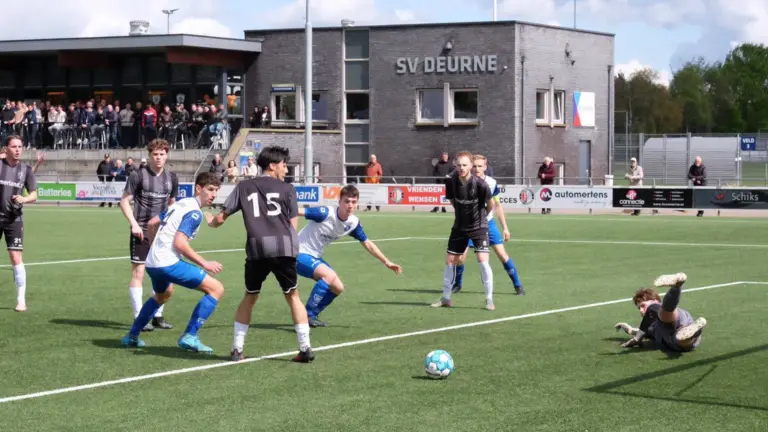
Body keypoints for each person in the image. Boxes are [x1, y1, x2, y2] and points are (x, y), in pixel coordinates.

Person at [208, 146, 314, 363]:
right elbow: (293, 225)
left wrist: (211, 222)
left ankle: (237, 349)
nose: (286, 169)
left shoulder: (244, 186)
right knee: (293, 296)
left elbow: (221, 217)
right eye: (284, 164)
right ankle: (305, 348)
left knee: (250, 295)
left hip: (257, 249)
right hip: (284, 248)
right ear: (273, 165)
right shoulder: (287, 189)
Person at [121, 172, 224, 353]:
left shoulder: (179, 204)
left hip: (152, 262)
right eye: (210, 189)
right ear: (198, 188)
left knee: (163, 294)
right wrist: (204, 263)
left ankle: (132, 335)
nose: (214, 194)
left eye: (216, 190)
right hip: (168, 263)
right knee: (216, 289)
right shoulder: (194, 212)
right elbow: (179, 243)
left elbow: (152, 223)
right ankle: (190, 336)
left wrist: (155, 247)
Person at [297, 185, 403, 327]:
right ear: (339, 201)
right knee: (328, 276)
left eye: (353, 202)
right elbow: (296, 211)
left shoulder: (352, 223)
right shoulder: (324, 213)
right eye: (346, 201)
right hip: (298, 253)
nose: (350, 205)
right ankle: (304, 317)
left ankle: (311, 316)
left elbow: (367, 243)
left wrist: (386, 261)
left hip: (313, 256)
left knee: (338, 287)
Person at [120, 139, 179, 331]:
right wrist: (134, 224)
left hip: (162, 233)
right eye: (155, 154)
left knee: (163, 273)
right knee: (139, 272)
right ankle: (139, 317)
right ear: (150, 155)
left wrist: (171, 226)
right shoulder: (138, 175)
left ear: (167, 155)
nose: (159, 157)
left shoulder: (172, 177)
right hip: (141, 231)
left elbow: (172, 204)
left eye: (162, 154)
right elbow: (124, 201)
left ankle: (158, 315)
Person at [452, 155, 524, 297]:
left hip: (488, 224)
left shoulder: (491, 183)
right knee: (460, 257)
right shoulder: (463, 181)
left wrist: (505, 227)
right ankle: (457, 284)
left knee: (502, 255)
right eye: (475, 166)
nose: (477, 169)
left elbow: (497, 206)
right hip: (469, 225)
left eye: (480, 166)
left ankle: (518, 285)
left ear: (485, 167)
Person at [431, 151, 495, 310]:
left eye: (465, 165)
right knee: (450, 260)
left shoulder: (481, 184)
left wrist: (481, 218)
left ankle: (489, 299)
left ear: (471, 166)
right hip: (459, 227)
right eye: (459, 165)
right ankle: (446, 298)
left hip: (479, 227)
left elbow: (491, 205)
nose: (461, 168)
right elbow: (453, 201)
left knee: (482, 261)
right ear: (455, 165)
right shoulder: (451, 182)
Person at [615, 272, 707, 352]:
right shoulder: (651, 328)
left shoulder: (654, 309)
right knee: (679, 340)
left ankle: (676, 286)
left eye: (643, 306)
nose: (641, 311)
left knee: (657, 312)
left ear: (655, 300)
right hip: (683, 340)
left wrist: (637, 338)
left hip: (675, 317)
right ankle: (691, 332)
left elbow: (643, 328)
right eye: (639, 309)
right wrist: (627, 327)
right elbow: (636, 331)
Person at [0, 136, 37, 312]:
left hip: (14, 218)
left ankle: (21, 300)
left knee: (16, 257)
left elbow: (34, 195)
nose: (17, 150)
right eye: (13, 146)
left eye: (20, 146)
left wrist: (24, 198)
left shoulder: (26, 169)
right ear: (5, 149)